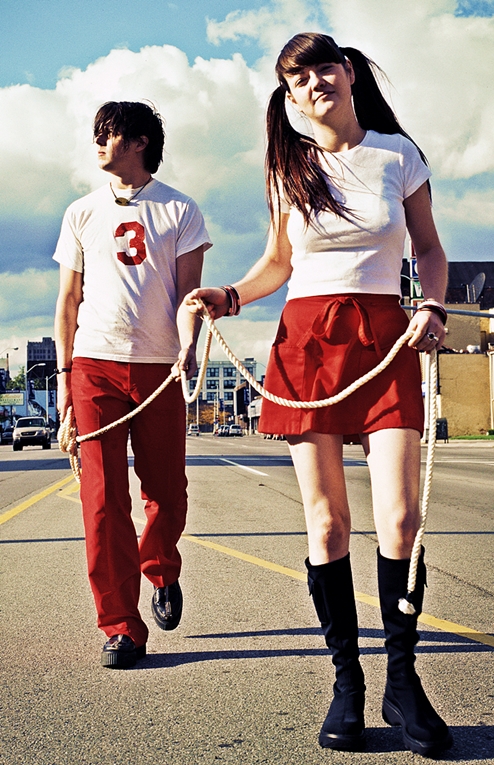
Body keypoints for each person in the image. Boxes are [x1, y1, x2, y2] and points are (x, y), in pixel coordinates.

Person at [185, 34, 452, 756]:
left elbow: (427, 247)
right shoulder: (288, 165)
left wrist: (432, 304)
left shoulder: (400, 154)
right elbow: (279, 261)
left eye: (323, 67)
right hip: (306, 343)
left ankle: (403, 680)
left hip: (385, 338)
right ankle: (348, 683)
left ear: (349, 73)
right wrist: (229, 294)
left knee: (400, 517)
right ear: (291, 97)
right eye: (296, 78)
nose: (313, 82)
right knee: (328, 523)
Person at [54, 101, 212, 669]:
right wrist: (68, 380)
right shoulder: (80, 213)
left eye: (110, 133)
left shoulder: (181, 211)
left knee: (166, 490)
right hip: (94, 363)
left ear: (141, 141)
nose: (99, 141)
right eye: (95, 133)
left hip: (159, 366)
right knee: (101, 502)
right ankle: (120, 624)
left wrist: (188, 346)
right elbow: (68, 302)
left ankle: (161, 569)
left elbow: (187, 296)